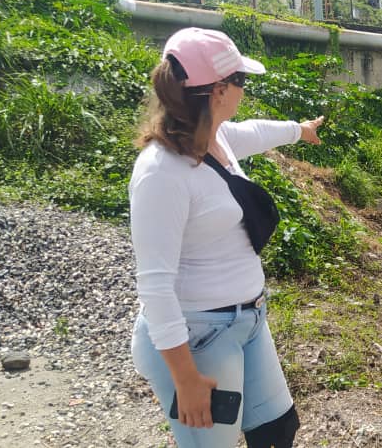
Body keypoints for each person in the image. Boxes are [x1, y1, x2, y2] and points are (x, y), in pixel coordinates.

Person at [128, 27, 326, 448]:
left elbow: (254, 133)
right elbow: (155, 286)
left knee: (276, 431)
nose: (244, 91)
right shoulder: (161, 172)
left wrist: (300, 129)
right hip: (201, 335)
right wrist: (186, 378)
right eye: (241, 81)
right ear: (218, 90)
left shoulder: (214, 139)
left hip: (248, 319)